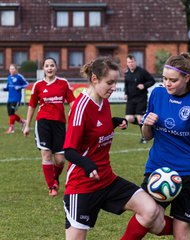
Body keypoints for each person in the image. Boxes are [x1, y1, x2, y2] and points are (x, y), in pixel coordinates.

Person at [63, 56, 172, 240]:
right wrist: (88, 166)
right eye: (110, 82)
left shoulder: (103, 100)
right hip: (82, 187)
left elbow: (96, 129)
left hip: (107, 180)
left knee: (150, 210)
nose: (114, 87)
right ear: (94, 79)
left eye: (116, 82)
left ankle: (182, 229)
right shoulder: (81, 108)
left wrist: (114, 121)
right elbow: (69, 151)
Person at [141, 52, 190, 239]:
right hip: (157, 170)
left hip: (189, 174)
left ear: (186, 78)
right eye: (164, 79)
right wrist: (146, 124)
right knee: (148, 217)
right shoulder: (157, 94)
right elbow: (147, 136)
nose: (167, 83)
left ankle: (179, 229)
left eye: (173, 80)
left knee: (181, 232)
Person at [23, 57, 75, 197]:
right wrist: (27, 125)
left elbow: (72, 102)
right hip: (43, 123)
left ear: (56, 67)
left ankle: (55, 177)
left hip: (59, 124)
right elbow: (32, 105)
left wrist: (76, 117)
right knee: (46, 154)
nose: (50, 68)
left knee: (59, 160)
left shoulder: (63, 83)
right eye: (47, 66)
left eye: (52, 65)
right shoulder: (38, 85)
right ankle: (51, 186)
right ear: (43, 69)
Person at [124, 54, 155, 144]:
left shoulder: (142, 72)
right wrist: (126, 93)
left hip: (141, 98)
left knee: (139, 117)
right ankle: (145, 125)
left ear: (135, 62)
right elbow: (126, 85)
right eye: (129, 62)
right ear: (127, 63)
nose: (131, 64)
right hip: (130, 98)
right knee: (128, 118)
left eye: (132, 62)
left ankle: (144, 137)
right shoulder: (127, 73)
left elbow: (152, 81)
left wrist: (144, 85)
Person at [3, 64, 29, 134]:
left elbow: (26, 84)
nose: (11, 70)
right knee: (11, 114)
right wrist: (4, 89)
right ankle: (24, 122)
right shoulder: (9, 77)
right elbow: (8, 88)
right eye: (10, 69)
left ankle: (11, 129)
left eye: (13, 69)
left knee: (11, 113)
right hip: (10, 98)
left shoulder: (19, 77)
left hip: (16, 98)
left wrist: (19, 87)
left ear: (16, 70)